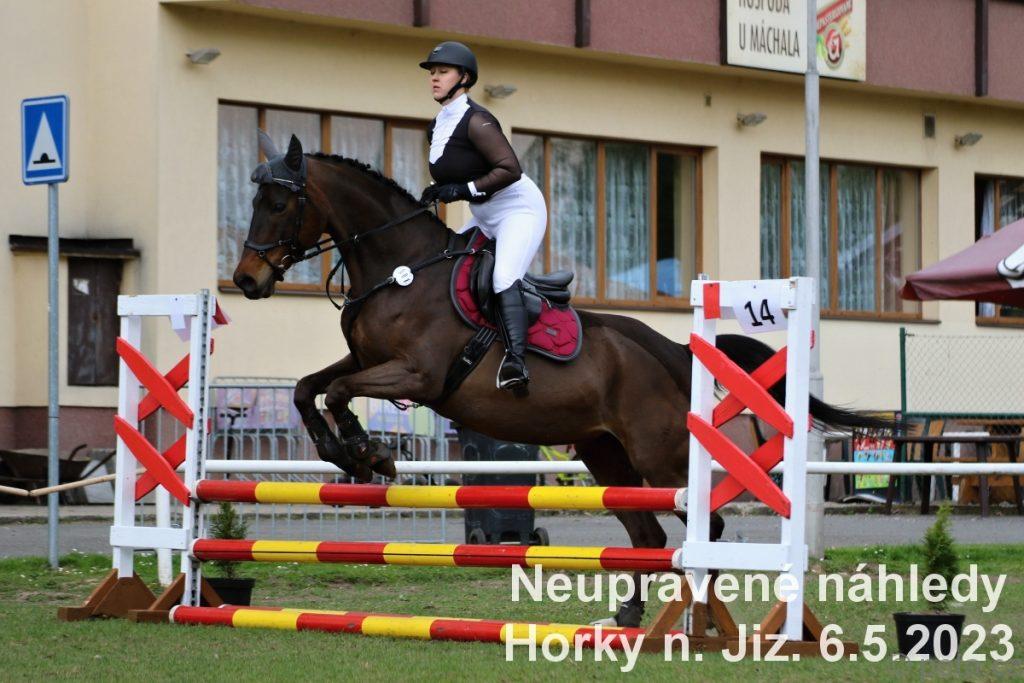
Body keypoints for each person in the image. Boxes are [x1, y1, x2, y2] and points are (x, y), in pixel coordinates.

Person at [418, 41, 547, 392]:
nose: (434, 78)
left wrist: (461, 190)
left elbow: (510, 169)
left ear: (464, 78)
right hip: (484, 213)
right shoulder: (437, 126)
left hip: (518, 209)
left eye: (442, 72)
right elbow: (458, 170)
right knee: (446, 262)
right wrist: (436, 189)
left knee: (503, 278)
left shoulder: (477, 120)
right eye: (432, 73)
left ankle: (516, 362)